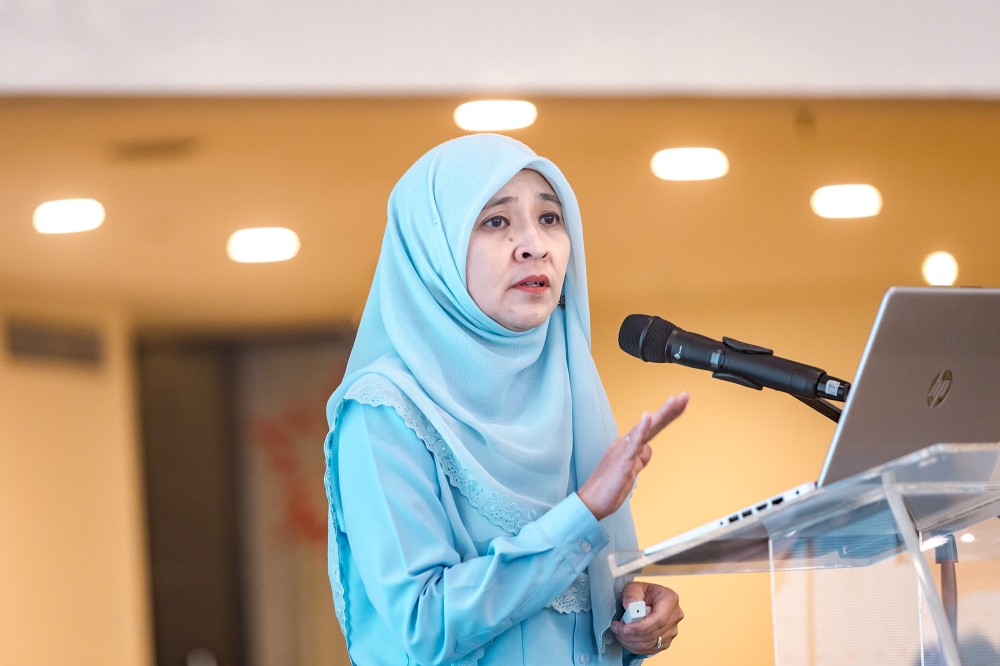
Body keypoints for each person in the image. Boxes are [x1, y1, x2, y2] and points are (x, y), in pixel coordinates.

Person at [324, 134, 688, 666]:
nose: (534, 244)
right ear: (435, 247)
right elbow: (422, 626)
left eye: (549, 218)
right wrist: (581, 515)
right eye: (496, 221)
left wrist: (635, 614)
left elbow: (574, 609)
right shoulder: (384, 411)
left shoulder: (568, 382)